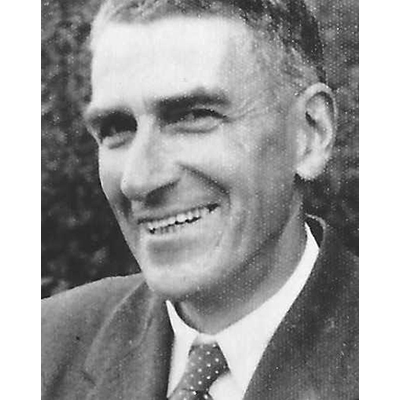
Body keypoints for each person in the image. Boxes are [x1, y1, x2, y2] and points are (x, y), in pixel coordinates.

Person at [41, 0, 358, 399]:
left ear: (310, 133)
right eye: (116, 128)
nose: (138, 180)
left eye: (192, 116)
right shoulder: (40, 348)